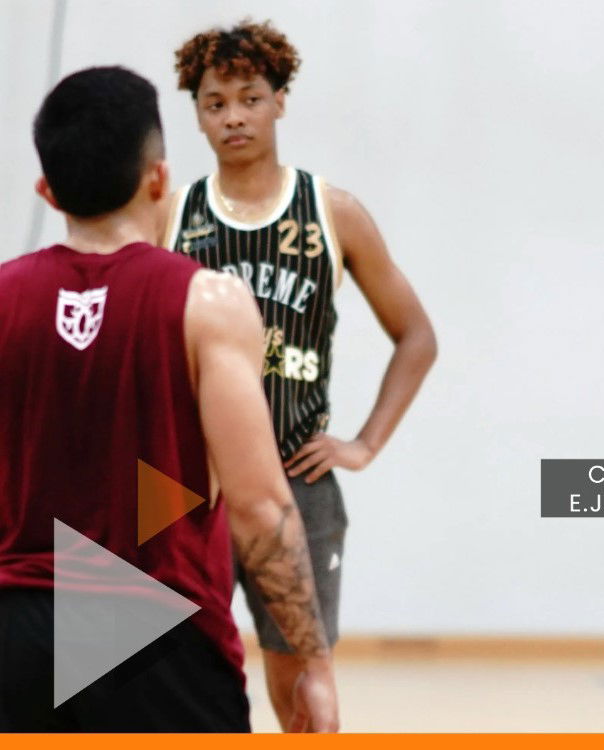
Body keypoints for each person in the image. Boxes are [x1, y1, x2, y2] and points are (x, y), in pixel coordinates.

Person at [0, 66, 337, 732]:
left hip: (14, 637)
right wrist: (311, 662)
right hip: (159, 639)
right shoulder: (207, 303)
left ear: (48, 191)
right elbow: (261, 507)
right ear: (158, 178)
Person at [161, 20, 437, 729]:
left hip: (294, 478)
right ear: (195, 113)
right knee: (159, 670)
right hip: (184, 483)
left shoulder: (331, 212)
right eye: (215, 102)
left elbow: (416, 337)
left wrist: (364, 444)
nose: (233, 116)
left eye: (249, 97)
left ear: (279, 100)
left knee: (304, 682)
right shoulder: (172, 214)